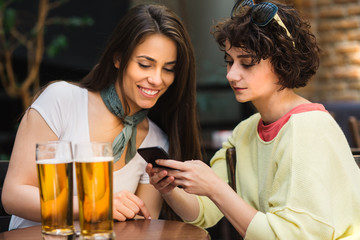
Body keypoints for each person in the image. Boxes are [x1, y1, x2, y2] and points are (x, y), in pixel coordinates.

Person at [146, 0, 360, 239]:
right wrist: (170, 191)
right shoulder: (245, 132)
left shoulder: (309, 128)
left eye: (246, 63)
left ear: (282, 63)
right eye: (229, 61)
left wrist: (215, 187)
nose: (231, 74)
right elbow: (206, 212)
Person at [2, 4, 202, 230]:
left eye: (168, 69)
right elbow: (14, 195)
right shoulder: (61, 100)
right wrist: (97, 205)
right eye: (145, 64)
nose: (157, 79)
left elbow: (142, 228)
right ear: (118, 59)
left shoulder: (156, 141)